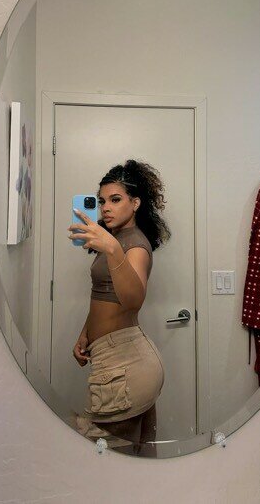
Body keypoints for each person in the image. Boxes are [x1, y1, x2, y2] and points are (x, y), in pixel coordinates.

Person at [67, 159, 170, 448]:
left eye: (115, 200)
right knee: (133, 460)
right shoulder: (116, 238)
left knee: (110, 462)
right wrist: (86, 333)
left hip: (124, 364)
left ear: (135, 203)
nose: (105, 208)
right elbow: (103, 293)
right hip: (116, 359)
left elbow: (133, 301)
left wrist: (113, 250)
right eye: (101, 201)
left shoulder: (134, 244)